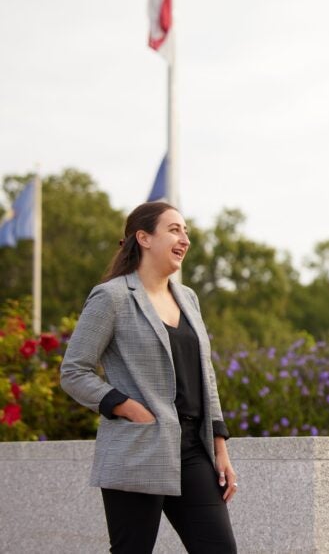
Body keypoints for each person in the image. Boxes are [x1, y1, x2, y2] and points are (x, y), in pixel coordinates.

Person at [60, 201, 238, 553]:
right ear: (143, 237)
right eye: (174, 229)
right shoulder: (111, 297)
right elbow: (74, 371)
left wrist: (220, 449)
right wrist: (125, 406)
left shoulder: (188, 298)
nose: (184, 238)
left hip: (192, 449)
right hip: (138, 445)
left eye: (186, 231)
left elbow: (207, 377)